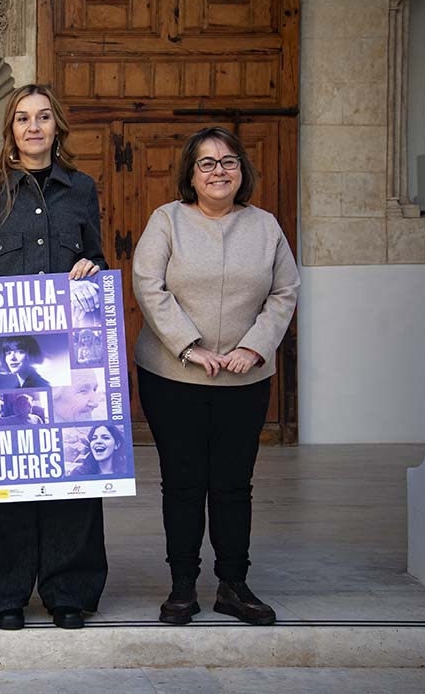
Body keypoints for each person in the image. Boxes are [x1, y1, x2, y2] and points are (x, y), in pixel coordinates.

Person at [0, 83, 108, 631]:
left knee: (70, 469)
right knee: (1, 470)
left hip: (68, 361)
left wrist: (91, 270)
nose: (33, 127)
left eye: (42, 117)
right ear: (10, 130)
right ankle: (2, 592)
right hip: (0, 359)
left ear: (57, 125)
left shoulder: (81, 190)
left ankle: (68, 590)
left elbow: (98, 262)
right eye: (22, 119)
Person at [132, 126, 298, 628]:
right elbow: (148, 284)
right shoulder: (167, 221)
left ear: (242, 171)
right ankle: (182, 586)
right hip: (172, 375)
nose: (218, 171)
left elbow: (284, 291)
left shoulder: (265, 226)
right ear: (191, 173)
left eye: (228, 162)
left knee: (232, 484)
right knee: (182, 483)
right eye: (206, 163)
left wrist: (253, 347)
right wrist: (189, 345)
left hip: (243, 379)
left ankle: (233, 583)